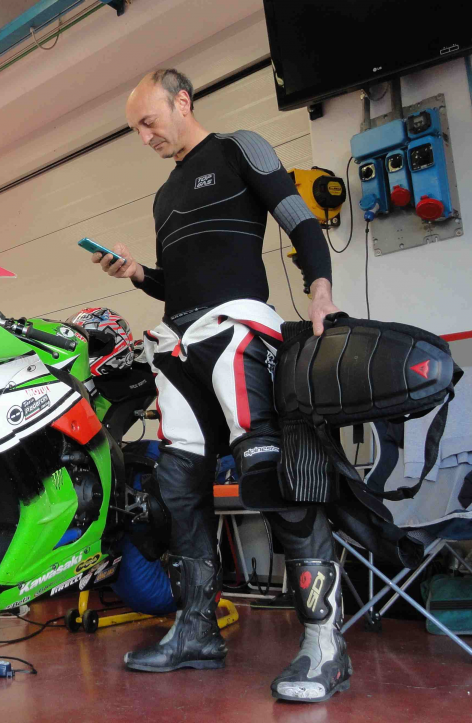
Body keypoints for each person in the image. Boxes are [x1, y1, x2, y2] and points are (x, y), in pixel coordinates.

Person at [92, 69, 350, 703]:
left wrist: (320, 292)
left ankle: (325, 643)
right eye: (135, 129)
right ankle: (198, 631)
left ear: (183, 101)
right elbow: (180, 282)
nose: (145, 136)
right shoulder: (164, 196)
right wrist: (136, 273)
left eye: (150, 121)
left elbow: (301, 223)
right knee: (178, 487)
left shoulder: (239, 148)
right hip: (179, 346)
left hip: (236, 330)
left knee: (270, 473)